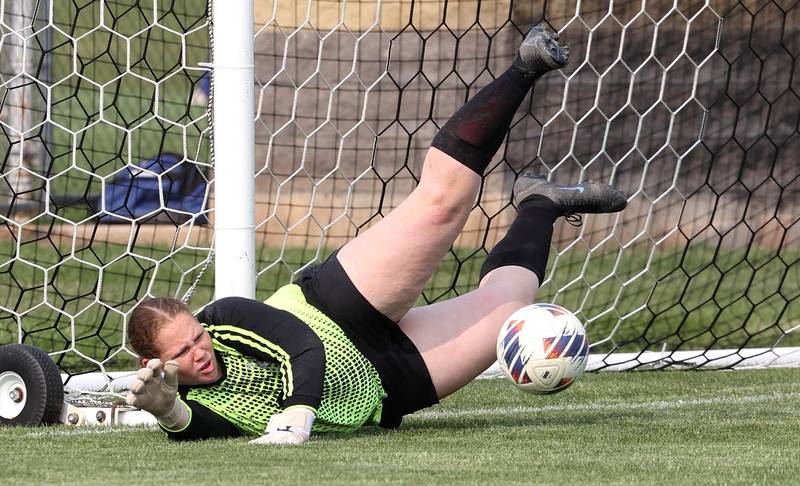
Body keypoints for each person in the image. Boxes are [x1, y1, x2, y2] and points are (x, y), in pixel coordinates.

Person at [125, 25, 626, 444]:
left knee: (442, 205)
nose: (200, 350)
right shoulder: (183, 395)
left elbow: (301, 343)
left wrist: (300, 411)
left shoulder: (225, 319)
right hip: (382, 384)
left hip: (336, 310)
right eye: (182, 353)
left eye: (196, 336)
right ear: (156, 365)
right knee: (515, 306)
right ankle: (542, 204)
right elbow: (205, 426)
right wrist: (168, 414)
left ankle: (526, 65)